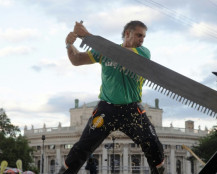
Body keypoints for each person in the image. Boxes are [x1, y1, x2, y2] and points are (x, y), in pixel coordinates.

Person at [60, 20, 165, 174]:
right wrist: (69, 45)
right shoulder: (104, 51)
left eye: (143, 36)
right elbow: (77, 60)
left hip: (132, 110)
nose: (142, 39)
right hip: (106, 110)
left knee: (152, 144)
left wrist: (88, 36)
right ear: (127, 34)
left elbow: (121, 54)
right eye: (139, 35)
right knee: (82, 147)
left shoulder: (143, 52)